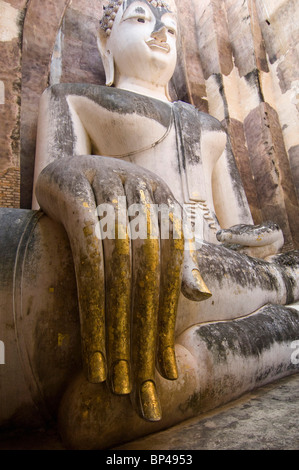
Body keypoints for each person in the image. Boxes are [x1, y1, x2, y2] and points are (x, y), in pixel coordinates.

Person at [1, 0, 298, 448]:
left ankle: (229, 346)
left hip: (220, 268)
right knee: (147, 268)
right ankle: (275, 315)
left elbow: (235, 228)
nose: (160, 33)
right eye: (140, 19)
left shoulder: (210, 128)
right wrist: (81, 174)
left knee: (248, 269)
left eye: (171, 28)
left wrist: (256, 239)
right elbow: (53, 201)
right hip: (130, 253)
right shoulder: (75, 99)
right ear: (105, 40)